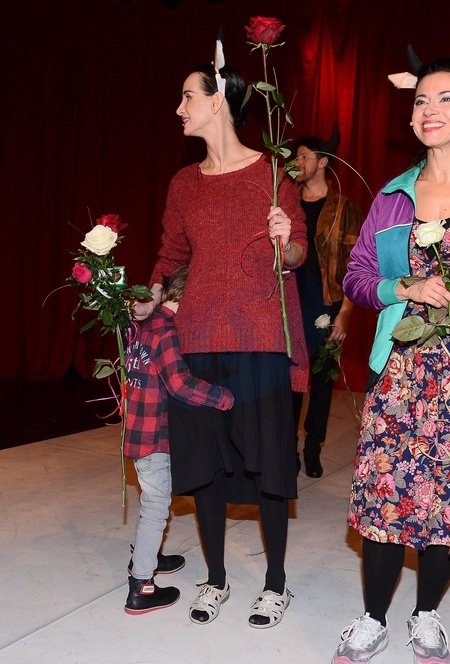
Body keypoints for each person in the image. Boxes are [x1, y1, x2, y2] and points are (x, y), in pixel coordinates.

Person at [134, 48, 309, 628]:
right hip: (197, 338)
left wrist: (286, 240)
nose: (179, 108)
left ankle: (276, 584)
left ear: (218, 102)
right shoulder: (184, 183)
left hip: (260, 339)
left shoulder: (273, 173)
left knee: (269, 466)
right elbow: (170, 256)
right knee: (203, 462)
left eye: (188, 96)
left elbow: (298, 254)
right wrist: (150, 294)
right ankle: (215, 580)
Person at [332, 57, 450, 664]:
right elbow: (355, 277)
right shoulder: (392, 196)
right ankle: (373, 618)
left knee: (444, 501)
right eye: (421, 100)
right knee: (384, 494)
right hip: (401, 372)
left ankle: (427, 615)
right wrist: (404, 287)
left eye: (444, 98)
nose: (429, 110)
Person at [123, 264, 234, 615]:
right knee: (155, 507)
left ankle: (148, 557)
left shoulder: (145, 325)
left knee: (152, 500)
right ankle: (141, 586)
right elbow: (179, 384)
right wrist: (222, 397)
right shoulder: (166, 330)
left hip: (137, 429)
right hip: (153, 436)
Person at [291, 127, 364, 478]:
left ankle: (313, 448)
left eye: (304, 156)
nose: (297, 162)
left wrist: (345, 313)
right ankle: (286, 447)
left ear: (322, 162)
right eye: (296, 157)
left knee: (321, 382)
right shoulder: (285, 203)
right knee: (289, 380)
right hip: (288, 304)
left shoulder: (344, 208)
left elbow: (357, 265)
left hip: (327, 303)